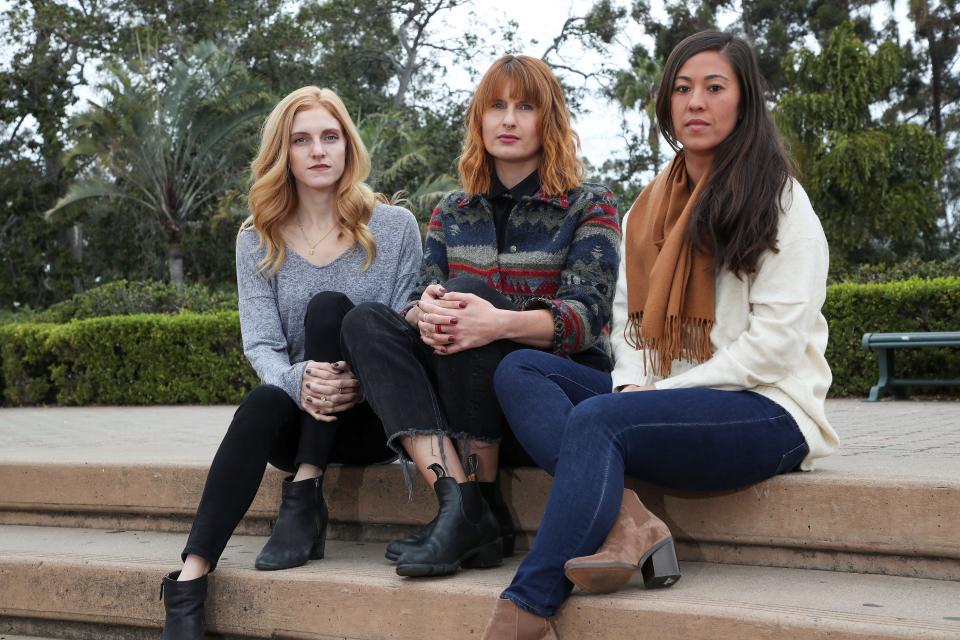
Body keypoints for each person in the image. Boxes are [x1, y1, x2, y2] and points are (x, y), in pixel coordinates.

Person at [481, 31, 840, 639]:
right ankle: (629, 521)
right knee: (520, 369)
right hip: (663, 401)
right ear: (667, 104)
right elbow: (627, 325)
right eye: (682, 88)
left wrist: (655, 397)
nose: (695, 102)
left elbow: (776, 346)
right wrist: (628, 386)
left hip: (768, 411)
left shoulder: (780, 203)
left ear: (745, 101)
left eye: (714, 88)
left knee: (598, 419)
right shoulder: (647, 208)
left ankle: (525, 610)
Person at [340, 54, 620, 579]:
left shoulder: (590, 205)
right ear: (480, 119)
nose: (508, 119)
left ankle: (475, 508)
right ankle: (462, 503)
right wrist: (420, 314)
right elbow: (419, 294)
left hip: (549, 392)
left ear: (550, 120)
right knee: (366, 321)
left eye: (525, 107)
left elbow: (588, 315)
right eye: (496, 106)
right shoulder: (452, 209)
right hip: (461, 396)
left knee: (466, 292)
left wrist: (498, 322)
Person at [159, 86, 423, 639]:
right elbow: (260, 344)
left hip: (374, 418)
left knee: (331, 310)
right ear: (284, 154)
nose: (318, 150)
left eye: (330, 137)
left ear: (348, 146)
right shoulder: (258, 239)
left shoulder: (394, 226)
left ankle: (304, 498)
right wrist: (302, 378)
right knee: (260, 401)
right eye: (301, 140)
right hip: (299, 412)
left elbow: (403, 331)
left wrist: (355, 379)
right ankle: (189, 580)